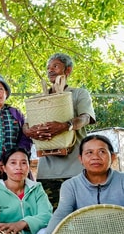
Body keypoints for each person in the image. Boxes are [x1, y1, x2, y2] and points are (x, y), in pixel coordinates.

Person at [38, 135, 124, 234]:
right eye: (89, 153)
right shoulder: (70, 185)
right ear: (81, 159)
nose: (95, 157)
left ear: (112, 157)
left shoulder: (122, 180)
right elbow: (60, 215)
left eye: (102, 152)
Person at [23, 53, 96, 209]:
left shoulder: (79, 94)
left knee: (79, 216)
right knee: (52, 218)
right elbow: (26, 124)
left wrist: (66, 125)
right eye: (48, 68)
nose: (50, 70)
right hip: (47, 172)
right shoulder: (39, 99)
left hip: (76, 171)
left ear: (68, 70)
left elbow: (86, 118)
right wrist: (28, 132)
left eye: (55, 66)